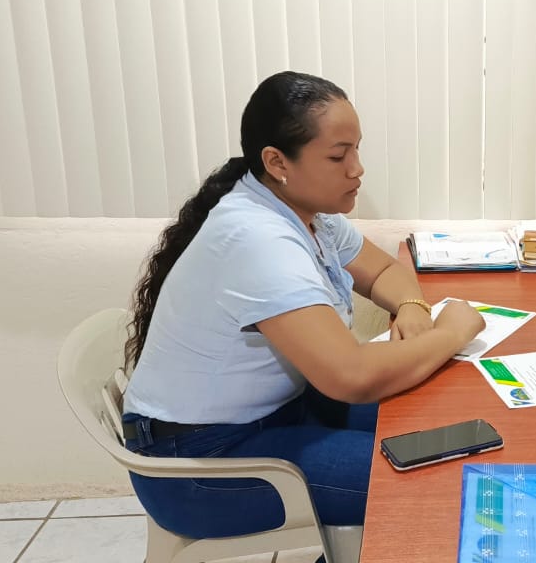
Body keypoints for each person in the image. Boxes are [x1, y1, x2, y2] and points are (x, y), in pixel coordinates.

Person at [121, 71, 485, 541]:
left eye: (357, 150)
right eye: (338, 156)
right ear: (277, 161)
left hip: (280, 411)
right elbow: (351, 376)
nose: (357, 169)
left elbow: (383, 271)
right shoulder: (258, 239)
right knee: (443, 478)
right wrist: (451, 332)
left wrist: (413, 305)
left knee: (446, 419)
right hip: (200, 464)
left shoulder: (307, 214)